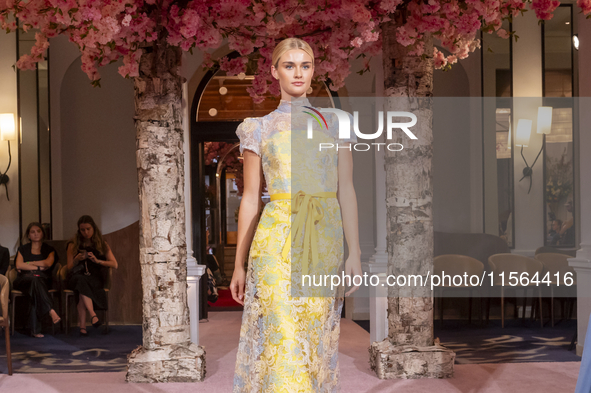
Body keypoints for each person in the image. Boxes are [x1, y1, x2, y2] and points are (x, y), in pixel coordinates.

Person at [230, 38, 362, 392]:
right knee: (280, 336)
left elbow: (345, 190)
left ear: (314, 70)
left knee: (313, 336)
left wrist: (356, 253)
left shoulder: (336, 122)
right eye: (289, 65)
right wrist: (240, 263)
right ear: (274, 71)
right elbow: (250, 200)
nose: (298, 72)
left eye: (305, 65)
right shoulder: (257, 128)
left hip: (323, 237)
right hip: (275, 239)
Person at [66, 215, 118, 336]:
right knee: (80, 280)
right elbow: (68, 267)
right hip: (76, 275)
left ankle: (83, 327)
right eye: (83, 230)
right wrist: (76, 260)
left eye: (88, 229)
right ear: (79, 230)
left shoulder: (101, 244)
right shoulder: (73, 244)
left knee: (82, 287)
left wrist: (97, 261)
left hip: (94, 277)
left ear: (93, 228)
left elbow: (115, 264)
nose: (86, 232)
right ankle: (93, 315)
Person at [13, 222, 61, 337]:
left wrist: (29, 263)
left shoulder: (49, 249)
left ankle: (35, 330)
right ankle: (50, 310)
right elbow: (19, 265)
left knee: (35, 288)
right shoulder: (22, 249)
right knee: (34, 282)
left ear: (42, 233)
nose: (35, 234)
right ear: (28, 235)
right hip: (24, 280)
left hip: (43, 280)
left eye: (38, 231)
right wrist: (39, 267)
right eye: (32, 232)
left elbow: (48, 263)